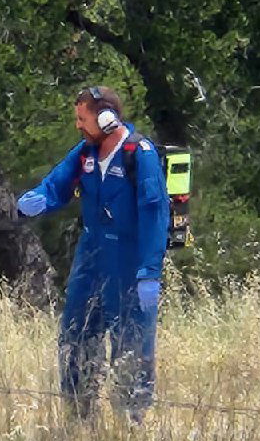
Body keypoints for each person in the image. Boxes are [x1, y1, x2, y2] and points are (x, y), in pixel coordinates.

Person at [17, 86, 170, 423]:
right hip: (91, 258)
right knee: (76, 332)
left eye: (82, 119)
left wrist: (149, 270)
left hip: (127, 262)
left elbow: (155, 213)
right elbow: (57, 182)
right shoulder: (86, 153)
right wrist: (39, 199)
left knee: (130, 341)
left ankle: (131, 421)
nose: (78, 126)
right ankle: (79, 413)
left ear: (106, 118)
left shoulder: (138, 153)